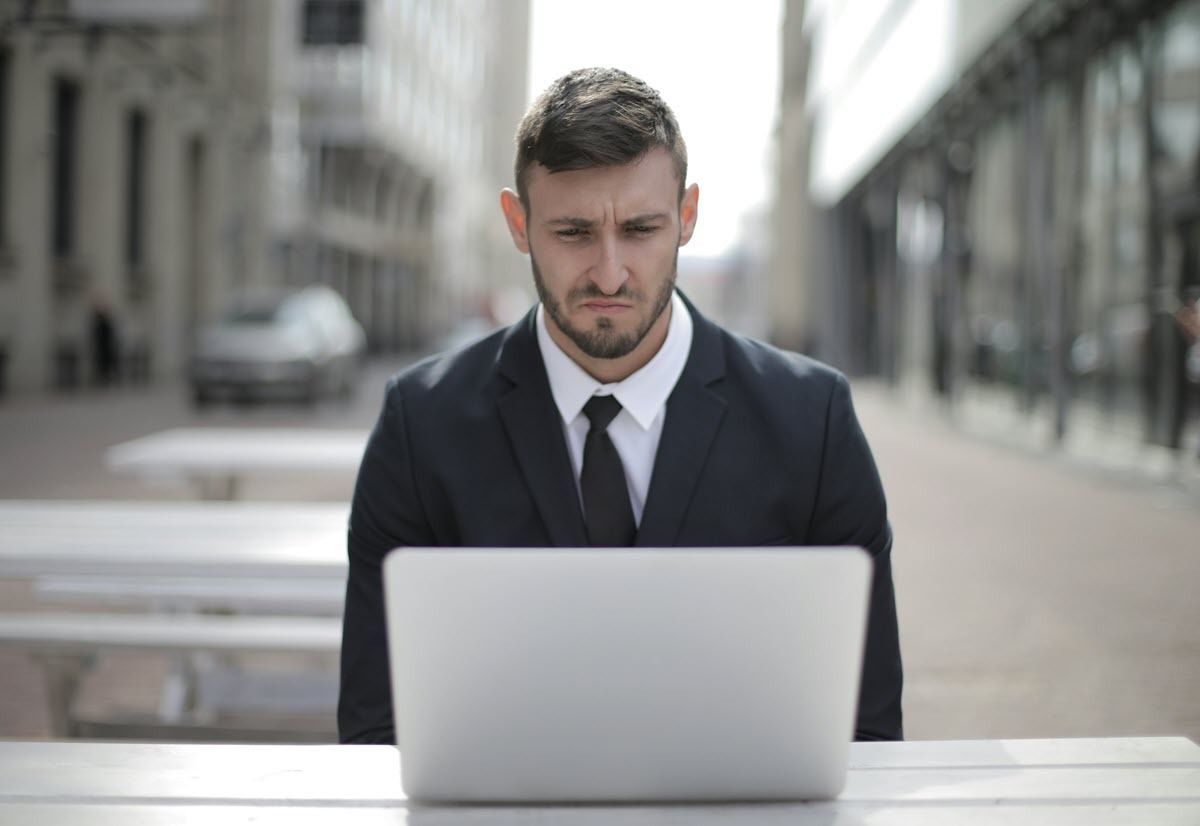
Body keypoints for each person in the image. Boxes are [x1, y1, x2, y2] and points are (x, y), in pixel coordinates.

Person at [339, 68, 902, 744]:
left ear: (687, 217)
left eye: (640, 229)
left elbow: (869, 733)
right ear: (518, 224)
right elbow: (373, 731)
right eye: (573, 233)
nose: (609, 274)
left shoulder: (813, 423)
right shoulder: (420, 426)